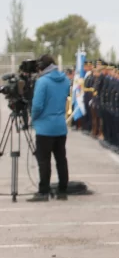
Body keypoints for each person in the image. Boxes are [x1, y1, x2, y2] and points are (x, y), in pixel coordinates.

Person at [29, 55, 71, 202]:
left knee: (44, 160)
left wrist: (33, 118)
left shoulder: (43, 82)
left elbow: (37, 106)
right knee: (61, 159)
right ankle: (62, 191)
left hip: (45, 127)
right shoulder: (65, 79)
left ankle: (44, 191)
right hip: (60, 125)